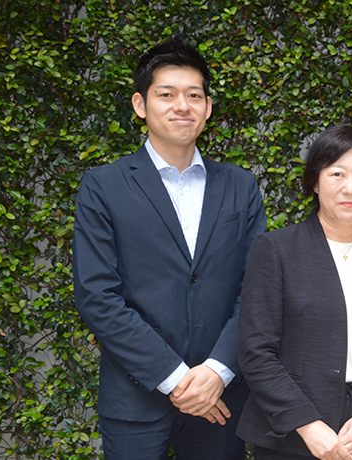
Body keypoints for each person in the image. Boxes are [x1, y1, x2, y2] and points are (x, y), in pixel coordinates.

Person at [73, 37, 267, 459]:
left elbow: (257, 290)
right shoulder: (103, 187)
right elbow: (97, 295)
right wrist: (178, 378)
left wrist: (217, 370)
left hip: (222, 399)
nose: (182, 105)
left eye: (194, 95)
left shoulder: (241, 186)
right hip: (135, 400)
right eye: (167, 94)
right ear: (141, 105)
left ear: (208, 107)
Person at [236, 124, 352, 460]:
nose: (350, 187)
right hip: (290, 437)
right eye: (337, 174)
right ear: (315, 182)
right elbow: (256, 352)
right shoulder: (277, 249)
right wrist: (307, 423)